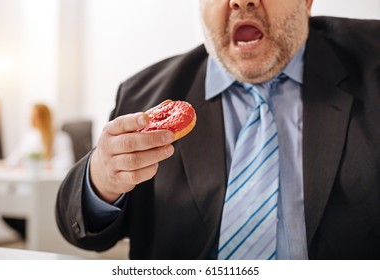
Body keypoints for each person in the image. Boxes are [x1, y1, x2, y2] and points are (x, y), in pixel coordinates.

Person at [56, 0, 380, 260]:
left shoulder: (372, 63)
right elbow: (82, 233)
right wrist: (102, 180)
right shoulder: (143, 95)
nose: (241, 2)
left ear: (307, 2)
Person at [4, 103, 75, 239]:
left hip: (50, 188)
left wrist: (41, 165)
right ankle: (31, 237)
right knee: (7, 208)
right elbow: (12, 161)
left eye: (35, 117)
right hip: (28, 186)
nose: (31, 121)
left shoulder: (61, 138)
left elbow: (66, 163)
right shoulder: (29, 137)